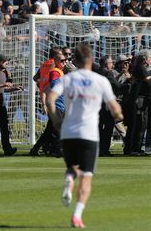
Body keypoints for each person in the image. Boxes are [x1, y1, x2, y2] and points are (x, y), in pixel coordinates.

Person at [46, 42, 123, 228]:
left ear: (76, 60)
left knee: (72, 167)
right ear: (92, 59)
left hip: (68, 132)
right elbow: (115, 108)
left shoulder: (68, 78)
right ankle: (77, 215)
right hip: (89, 133)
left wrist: (56, 119)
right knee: (87, 175)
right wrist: (119, 114)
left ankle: (69, 178)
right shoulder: (100, 81)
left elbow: (50, 98)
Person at [0, 54, 21, 155]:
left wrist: (14, 88)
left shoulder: (3, 74)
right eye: (5, 61)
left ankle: (7, 149)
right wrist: (3, 84)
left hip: (1, 106)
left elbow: (4, 89)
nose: (7, 63)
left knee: (5, 128)